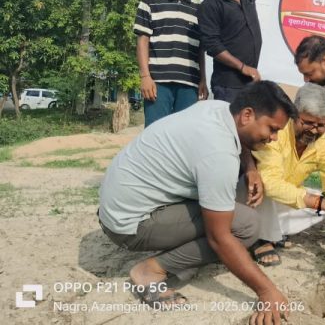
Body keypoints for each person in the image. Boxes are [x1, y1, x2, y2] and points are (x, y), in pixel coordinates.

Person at [98, 81, 296, 324]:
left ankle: (180, 255)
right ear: (247, 115)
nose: (274, 138)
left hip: (119, 205)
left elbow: (241, 141)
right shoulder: (218, 153)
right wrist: (267, 291)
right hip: (129, 225)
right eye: (272, 129)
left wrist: (251, 168)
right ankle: (150, 270)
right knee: (247, 227)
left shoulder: (220, 109)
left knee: (236, 195)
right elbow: (219, 237)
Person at [248, 83, 325, 265]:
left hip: (288, 199)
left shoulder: (323, 144)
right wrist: (318, 202)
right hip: (261, 199)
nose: (314, 131)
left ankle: (274, 231)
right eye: (307, 123)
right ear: (294, 114)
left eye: (321, 125)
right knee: (264, 186)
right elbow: (271, 182)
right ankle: (262, 239)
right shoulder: (276, 133)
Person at [134, 0, 207, 127]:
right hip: (158, 82)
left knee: (184, 134)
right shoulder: (150, 1)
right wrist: (145, 76)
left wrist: (203, 80)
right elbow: (142, 40)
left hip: (189, 83)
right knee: (155, 133)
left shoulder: (199, 8)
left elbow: (200, 48)